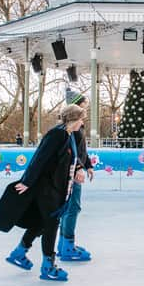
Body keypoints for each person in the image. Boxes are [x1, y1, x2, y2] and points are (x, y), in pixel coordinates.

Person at [0, 104, 87, 282]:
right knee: (51, 224)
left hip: (57, 188)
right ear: (73, 119)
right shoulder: (57, 134)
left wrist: (78, 169)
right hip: (46, 188)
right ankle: (48, 266)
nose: (82, 122)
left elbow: (70, 158)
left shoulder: (68, 135)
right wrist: (26, 181)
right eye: (81, 118)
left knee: (42, 223)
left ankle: (19, 252)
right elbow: (40, 158)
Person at [57, 88, 95, 262]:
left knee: (70, 208)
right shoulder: (72, 129)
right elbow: (71, 152)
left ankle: (64, 243)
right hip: (71, 173)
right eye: (83, 105)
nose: (86, 108)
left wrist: (87, 165)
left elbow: (81, 150)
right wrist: (80, 167)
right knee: (73, 208)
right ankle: (67, 245)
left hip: (75, 170)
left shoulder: (78, 127)